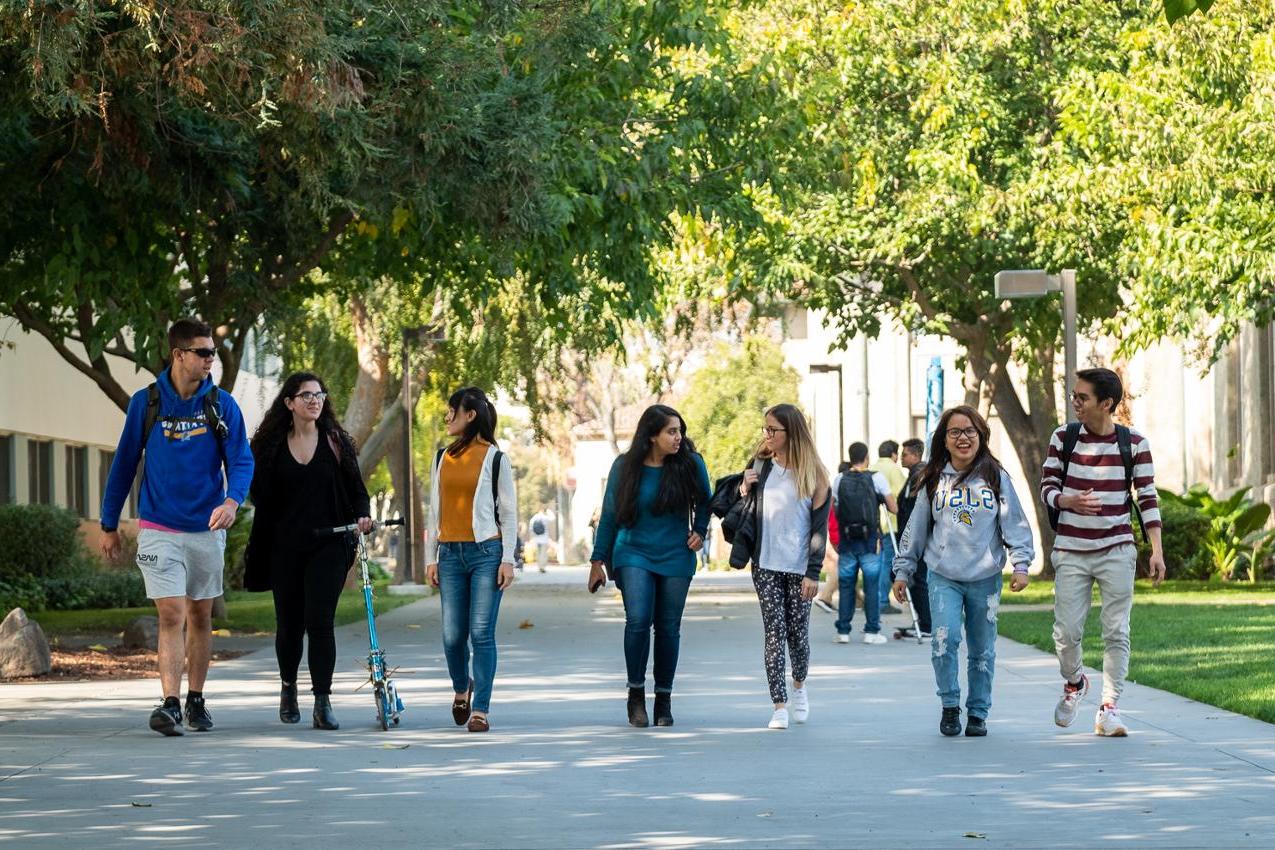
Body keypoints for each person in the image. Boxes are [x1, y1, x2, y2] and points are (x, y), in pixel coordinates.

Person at [99, 319, 254, 736]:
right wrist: (109, 523)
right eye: (203, 353)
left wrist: (231, 500)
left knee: (200, 615)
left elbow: (241, 460)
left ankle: (196, 700)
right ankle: (168, 703)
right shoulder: (145, 403)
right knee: (171, 613)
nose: (210, 361)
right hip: (159, 526)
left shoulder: (221, 405)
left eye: (213, 354)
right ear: (179, 355)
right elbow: (125, 463)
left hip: (206, 527)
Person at [892, 405, 1034, 737]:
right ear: (944, 439)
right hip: (943, 576)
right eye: (954, 432)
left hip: (985, 578)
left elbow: (1014, 523)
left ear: (981, 435)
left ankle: (979, 712)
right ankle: (950, 706)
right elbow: (916, 529)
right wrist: (903, 570)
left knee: (982, 649)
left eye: (969, 431)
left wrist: (1021, 564)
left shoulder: (996, 477)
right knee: (945, 640)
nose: (963, 438)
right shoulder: (932, 480)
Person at [244, 372, 372, 731]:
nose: (314, 400)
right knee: (289, 625)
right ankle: (288, 687)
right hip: (284, 548)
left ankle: (322, 700)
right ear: (289, 403)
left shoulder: (335, 443)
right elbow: (258, 495)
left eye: (319, 394)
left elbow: (357, 489)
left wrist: (363, 515)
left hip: (329, 545)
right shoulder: (270, 448)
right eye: (306, 395)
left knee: (320, 623)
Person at [1041, 368, 1165, 737]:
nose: (1075, 402)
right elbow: (1047, 485)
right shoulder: (1064, 438)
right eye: (1074, 396)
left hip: (1117, 549)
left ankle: (1109, 708)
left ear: (1106, 403)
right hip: (1071, 549)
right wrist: (1067, 499)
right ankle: (1075, 683)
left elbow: (1147, 497)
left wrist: (1156, 550)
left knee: (1116, 631)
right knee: (1065, 633)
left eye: (1082, 397)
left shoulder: (1134, 443)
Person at [589, 405, 712, 727]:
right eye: (671, 431)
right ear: (652, 435)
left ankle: (664, 700)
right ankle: (636, 696)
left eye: (680, 431)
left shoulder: (690, 464)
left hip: (675, 554)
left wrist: (699, 532)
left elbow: (706, 502)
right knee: (639, 620)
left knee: (669, 628)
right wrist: (597, 560)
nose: (678, 437)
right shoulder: (625, 467)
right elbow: (610, 516)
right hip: (633, 552)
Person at [425, 387, 518, 733]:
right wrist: (432, 558)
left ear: (470, 415)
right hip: (449, 554)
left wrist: (508, 559)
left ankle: (480, 710)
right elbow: (434, 511)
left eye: (453, 410)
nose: (448, 416)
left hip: (486, 554)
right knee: (452, 636)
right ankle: (461, 687)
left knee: (481, 634)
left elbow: (508, 514)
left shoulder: (495, 458)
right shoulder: (441, 458)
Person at [738, 404, 831, 730]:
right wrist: (745, 486)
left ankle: (800, 686)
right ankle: (779, 705)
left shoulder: (815, 474)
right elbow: (747, 508)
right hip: (765, 564)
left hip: (798, 566)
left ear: (791, 433)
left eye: (772, 430)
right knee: (775, 634)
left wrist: (813, 571)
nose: (767, 435)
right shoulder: (761, 466)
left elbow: (819, 529)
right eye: (765, 429)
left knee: (798, 636)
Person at [831, 443, 898, 644]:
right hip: (870, 541)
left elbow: (835, 509)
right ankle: (871, 631)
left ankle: (843, 632)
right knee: (872, 585)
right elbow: (893, 508)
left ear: (851, 458)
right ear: (866, 457)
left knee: (846, 585)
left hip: (847, 540)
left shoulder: (839, 479)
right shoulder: (876, 478)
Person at [892, 438, 931, 638]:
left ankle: (926, 624)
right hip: (910, 537)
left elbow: (916, 511)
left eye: (905, 454)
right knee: (915, 580)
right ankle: (923, 621)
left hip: (918, 539)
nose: (901, 458)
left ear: (915, 456)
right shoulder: (914, 475)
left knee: (919, 580)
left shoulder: (920, 475)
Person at [871, 440, 908, 613]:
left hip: (875, 523)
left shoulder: (872, 468)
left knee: (879, 562)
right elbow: (902, 496)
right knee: (889, 563)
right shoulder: (893, 469)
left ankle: (875, 599)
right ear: (893, 454)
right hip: (892, 524)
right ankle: (882, 602)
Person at [813, 462, 850, 615]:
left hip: (837, 535)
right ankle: (825, 596)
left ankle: (860, 600)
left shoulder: (836, 489)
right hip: (840, 536)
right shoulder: (839, 491)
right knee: (843, 567)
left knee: (848, 567)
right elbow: (834, 519)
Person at [529, 506, 553, 573]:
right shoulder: (545, 517)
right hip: (544, 539)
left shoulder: (534, 518)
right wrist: (549, 511)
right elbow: (553, 518)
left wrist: (533, 537)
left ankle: (539, 566)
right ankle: (542, 567)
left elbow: (531, 529)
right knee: (543, 553)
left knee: (538, 553)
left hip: (536, 539)